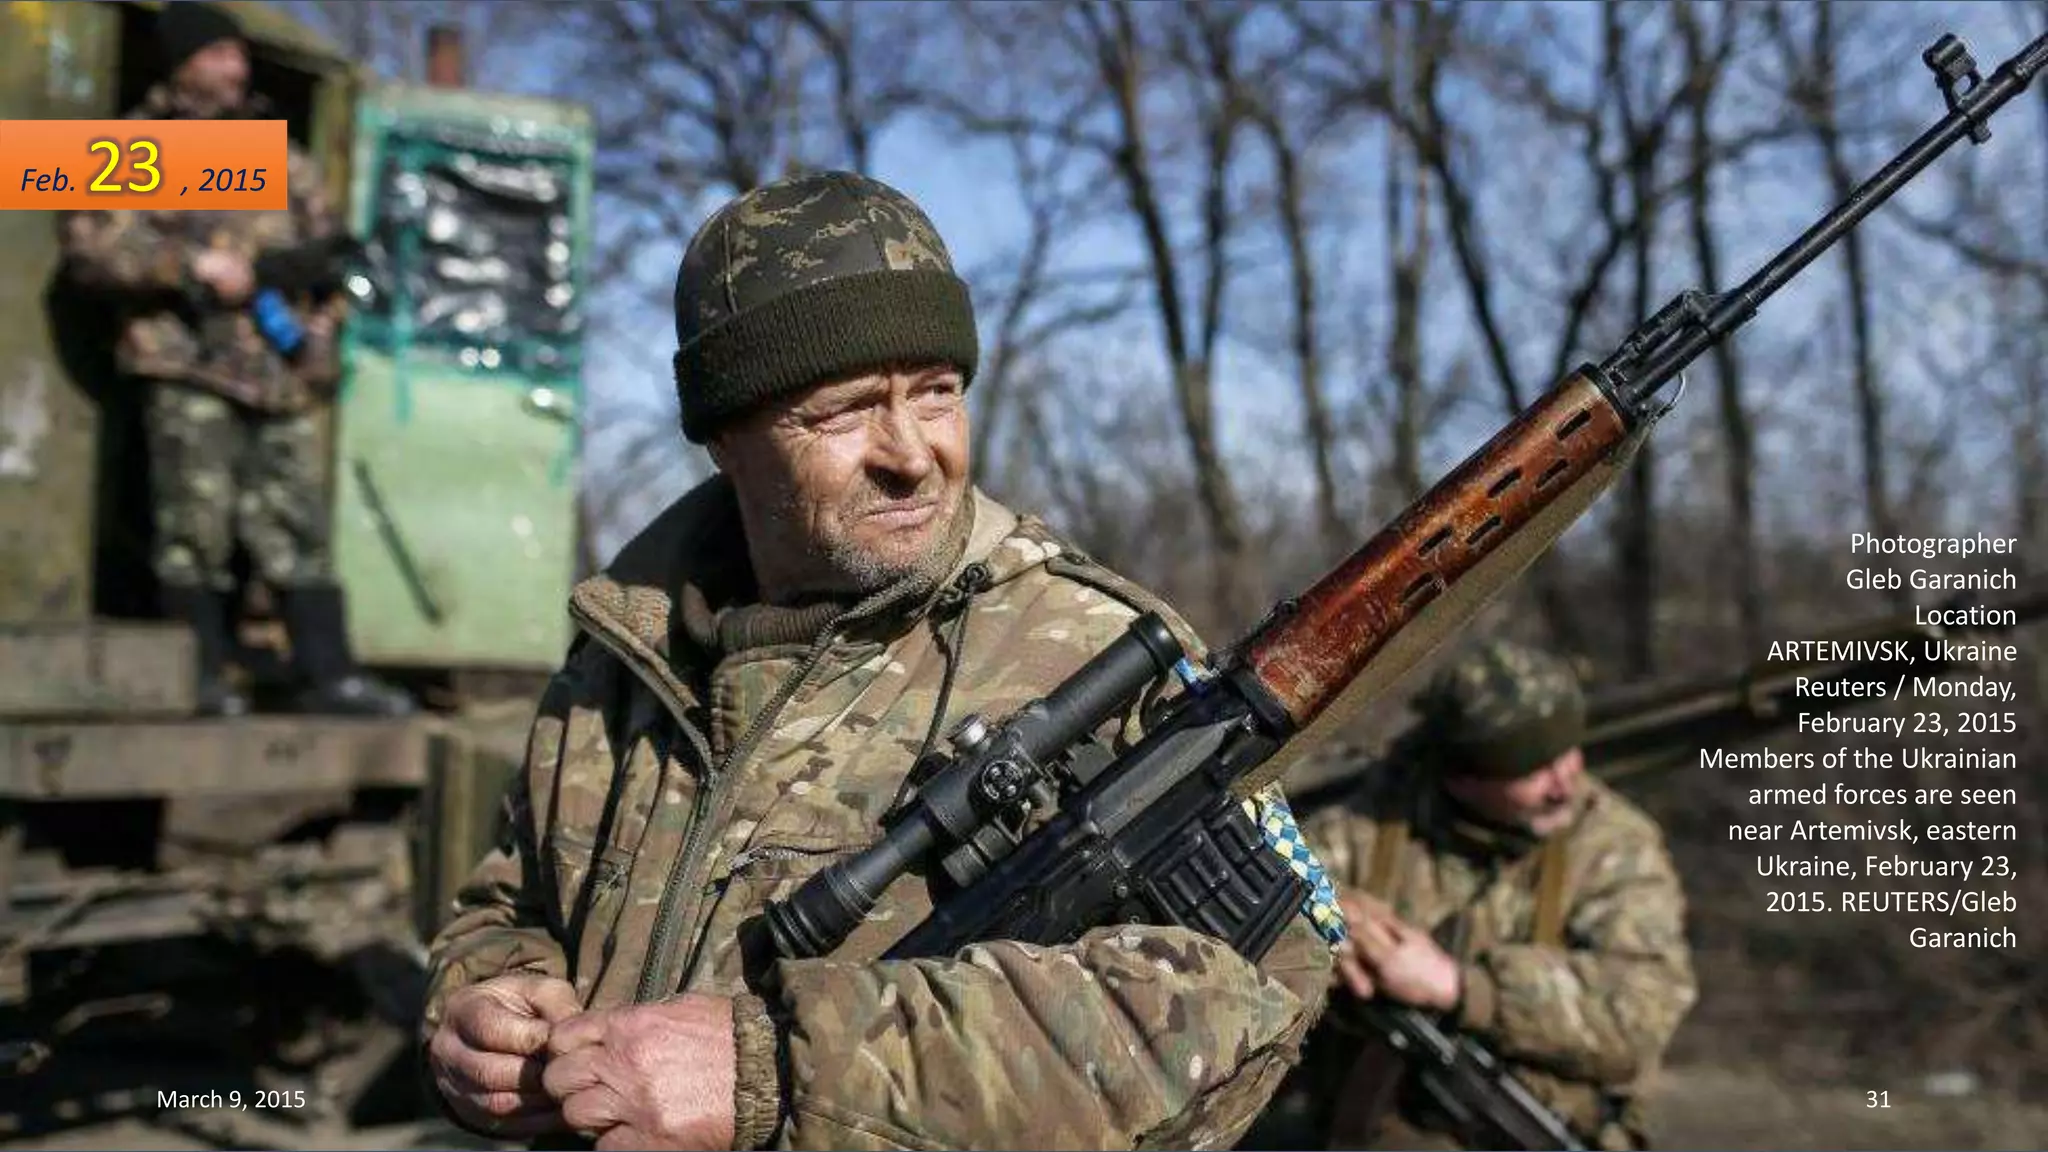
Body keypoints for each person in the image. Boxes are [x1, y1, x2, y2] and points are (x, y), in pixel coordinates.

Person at [419, 170, 1335, 1150]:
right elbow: (509, 903)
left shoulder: (1096, 655)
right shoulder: (622, 655)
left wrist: (780, 1068)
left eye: (937, 394)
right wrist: (483, 1005)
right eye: (845, 411)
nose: (912, 452)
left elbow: (1246, 996)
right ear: (727, 436)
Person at [56, 3, 413, 718]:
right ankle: (200, 680)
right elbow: (90, 250)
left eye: (238, 55)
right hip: (184, 365)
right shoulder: (136, 143)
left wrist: (317, 329)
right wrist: (191, 266)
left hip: (273, 375)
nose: (235, 68)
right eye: (218, 54)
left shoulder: (274, 153)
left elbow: (333, 252)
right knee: (195, 531)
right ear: (183, 61)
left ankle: (328, 676)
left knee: (298, 528)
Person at [1264, 640, 1697, 1151]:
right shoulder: (1368, 823)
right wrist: (1329, 918)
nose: (1565, 782)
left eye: (1568, 751)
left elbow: (1641, 1011)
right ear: (1463, 778)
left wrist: (1461, 988)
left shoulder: (1613, 847)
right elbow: (1261, 893)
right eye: (1530, 769)